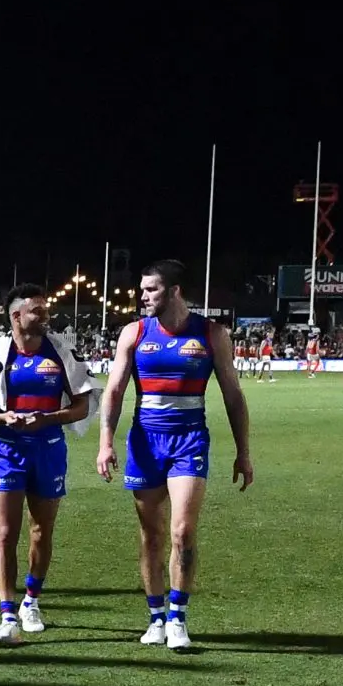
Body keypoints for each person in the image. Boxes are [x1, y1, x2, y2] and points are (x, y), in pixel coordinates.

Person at [92, 258, 253, 651]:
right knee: (152, 535)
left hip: (189, 441)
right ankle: (156, 616)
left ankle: (178, 616)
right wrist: (105, 442)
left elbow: (232, 394)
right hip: (146, 443)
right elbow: (113, 390)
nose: (144, 296)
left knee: (182, 530)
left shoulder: (211, 334)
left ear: (175, 291)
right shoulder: (134, 332)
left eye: (152, 290)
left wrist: (243, 452)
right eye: (143, 290)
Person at [0, 285, 95, 646]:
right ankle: (7, 614)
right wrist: (2, 417)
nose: (46, 316)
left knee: (41, 531)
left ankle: (32, 600)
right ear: (16, 317)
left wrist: (47, 418)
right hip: (6, 450)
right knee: (3, 534)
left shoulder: (61, 351)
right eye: (37, 311)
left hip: (48, 449)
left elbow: (82, 405)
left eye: (46, 310)